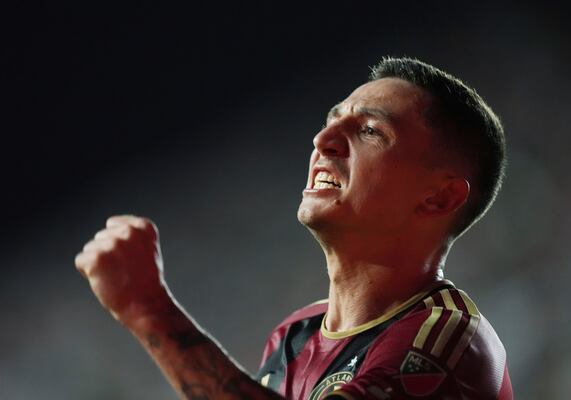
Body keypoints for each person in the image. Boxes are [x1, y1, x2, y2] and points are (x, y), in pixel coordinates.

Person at [75, 57, 513, 399]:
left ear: (439, 197)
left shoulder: (449, 341)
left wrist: (149, 310)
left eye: (370, 131)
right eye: (331, 121)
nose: (323, 140)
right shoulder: (294, 336)